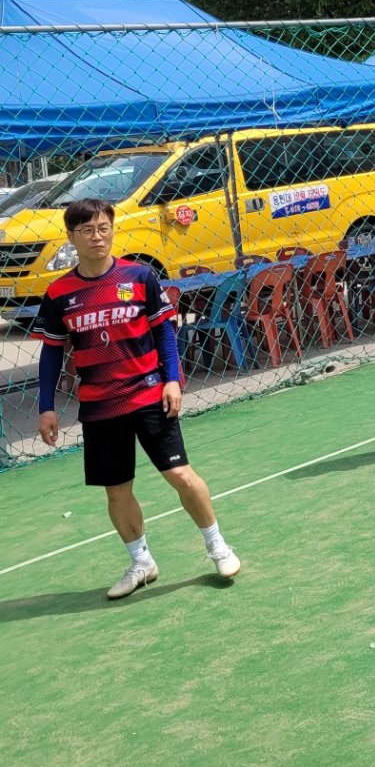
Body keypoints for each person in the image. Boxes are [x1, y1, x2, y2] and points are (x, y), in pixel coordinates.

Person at [32, 198, 241, 600]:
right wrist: (46, 407)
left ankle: (218, 546)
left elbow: (164, 332)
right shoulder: (59, 293)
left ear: (112, 230)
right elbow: (52, 352)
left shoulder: (139, 275)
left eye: (103, 228)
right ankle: (142, 562)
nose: (97, 237)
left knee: (180, 474)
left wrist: (172, 380)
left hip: (149, 396)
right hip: (100, 406)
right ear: (71, 237)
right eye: (87, 230)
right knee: (116, 491)